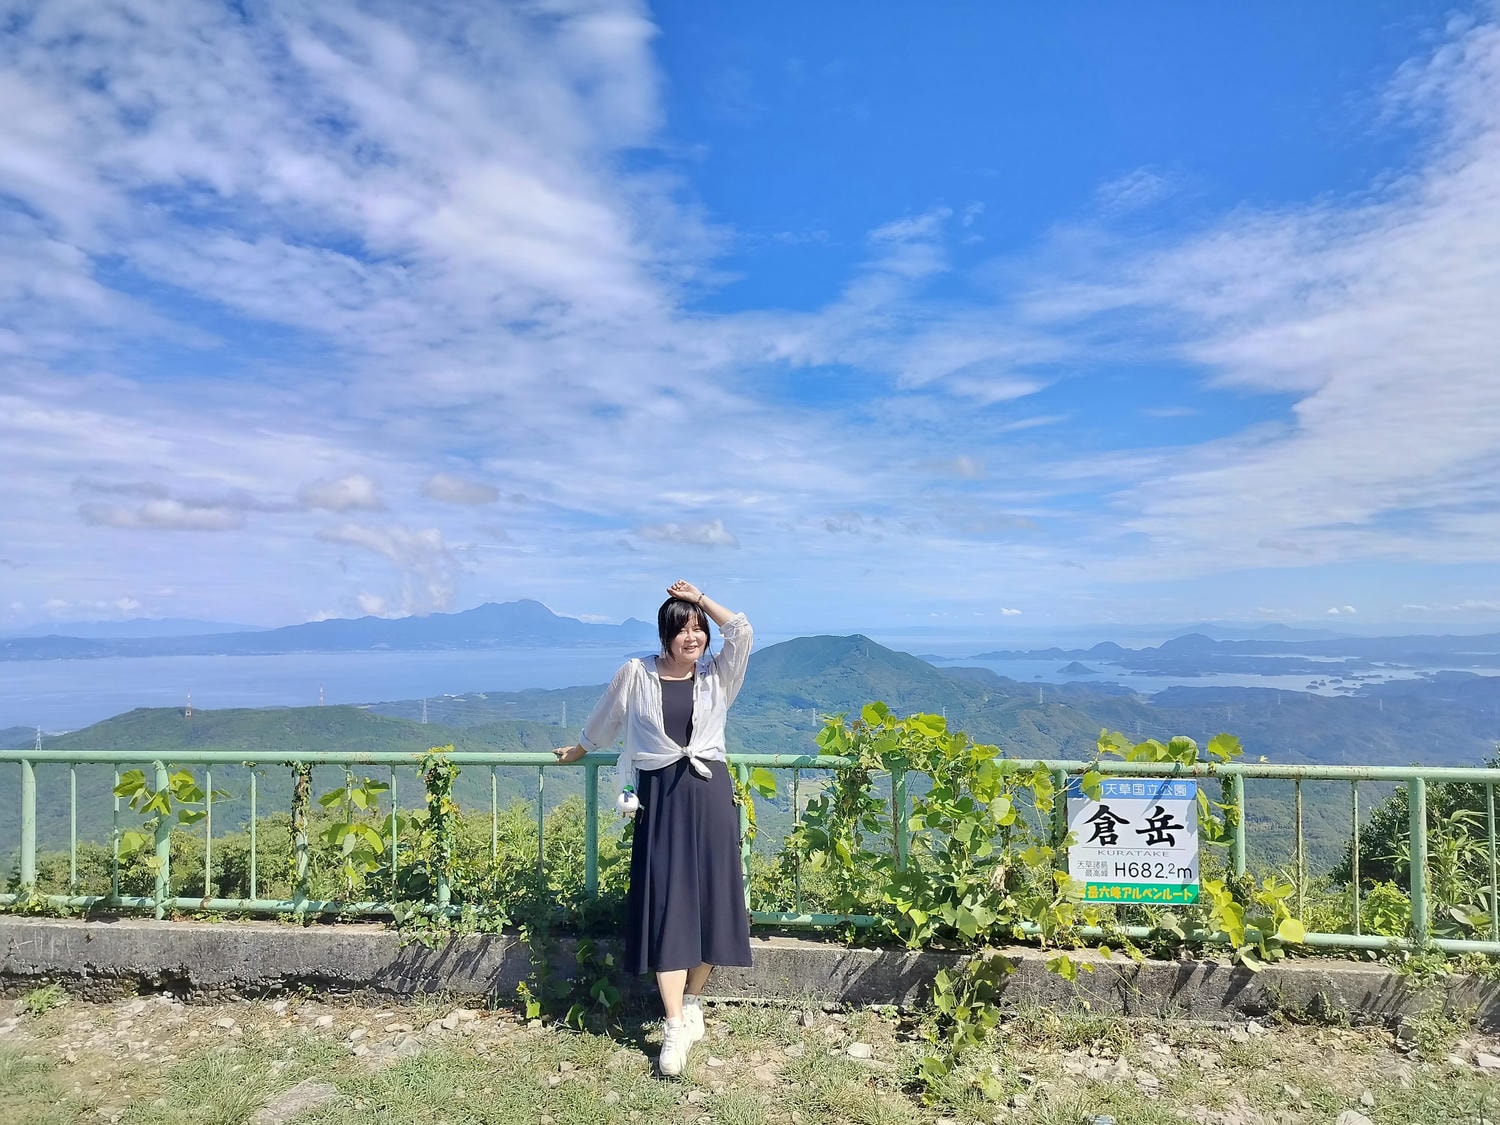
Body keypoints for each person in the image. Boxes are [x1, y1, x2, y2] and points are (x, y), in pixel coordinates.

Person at [553, 579, 754, 1077]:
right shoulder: (636, 673)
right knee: (668, 903)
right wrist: (580, 748)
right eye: (683, 629)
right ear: (665, 635)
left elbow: (743, 631)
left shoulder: (716, 676)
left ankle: (690, 1002)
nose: (694, 637)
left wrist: (700, 597)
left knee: (712, 901)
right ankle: (672, 1027)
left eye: (698, 629)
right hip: (661, 797)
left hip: (708, 794)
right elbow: (607, 719)